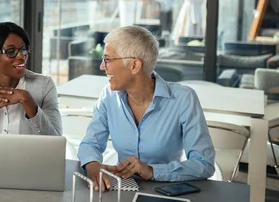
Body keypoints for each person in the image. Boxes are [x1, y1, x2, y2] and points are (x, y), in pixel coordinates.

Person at [78, 25, 215, 192]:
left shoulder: (183, 99)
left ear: (134, 65)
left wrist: (152, 171)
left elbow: (204, 163)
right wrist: (93, 165)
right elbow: (90, 143)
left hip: (167, 194)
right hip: (122, 191)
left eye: (107, 59)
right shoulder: (108, 97)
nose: (102, 66)